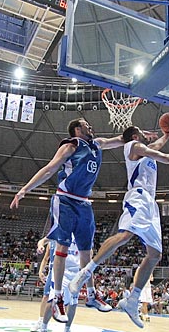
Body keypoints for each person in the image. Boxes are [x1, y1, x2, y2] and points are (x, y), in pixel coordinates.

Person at [69, 124, 169, 327]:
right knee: (125, 235)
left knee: (155, 255)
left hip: (151, 203)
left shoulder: (146, 152)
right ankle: (85, 273)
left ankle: (132, 300)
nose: (146, 135)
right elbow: (166, 158)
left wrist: (167, 134)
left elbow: (157, 145)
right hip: (138, 197)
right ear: (135, 136)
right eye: (142, 133)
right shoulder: (133, 146)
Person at [10, 118, 128, 314]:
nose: (90, 126)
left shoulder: (97, 144)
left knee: (86, 252)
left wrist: (136, 138)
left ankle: (91, 294)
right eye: (86, 124)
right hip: (65, 200)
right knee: (62, 246)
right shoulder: (71, 145)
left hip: (83, 202)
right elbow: (49, 169)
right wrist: (24, 190)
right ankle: (57, 297)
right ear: (76, 129)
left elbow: (118, 139)